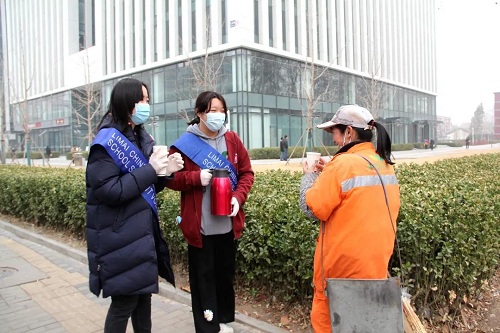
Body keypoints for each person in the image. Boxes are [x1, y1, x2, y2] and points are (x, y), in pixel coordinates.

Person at [85, 78, 184, 333]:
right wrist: (151, 170)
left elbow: (145, 187)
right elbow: (111, 190)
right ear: (126, 102)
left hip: (142, 236)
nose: (145, 105)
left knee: (143, 302)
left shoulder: (141, 136)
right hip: (120, 238)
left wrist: (165, 173)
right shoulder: (106, 142)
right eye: (141, 100)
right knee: (123, 305)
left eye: (147, 100)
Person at [299, 105, 401, 333]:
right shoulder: (383, 164)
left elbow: (312, 208)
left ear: (349, 133)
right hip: (374, 270)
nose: (334, 140)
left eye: (334, 133)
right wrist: (330, 172)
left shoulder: (342, 165)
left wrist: (309, 177)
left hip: (340, 276)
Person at [166, 91, 254, 333]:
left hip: (227, 225)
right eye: (212, 110)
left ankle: (223, 320)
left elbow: (246, 173)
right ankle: (207, 327)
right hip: (201, 228)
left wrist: (238, 197)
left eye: (221, 110)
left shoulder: (233, 140)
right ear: (199, 114)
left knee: (224, 277)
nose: (218, 115)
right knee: (203, 279)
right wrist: (196, 177)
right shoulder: (184, 144)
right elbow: (170, 178)